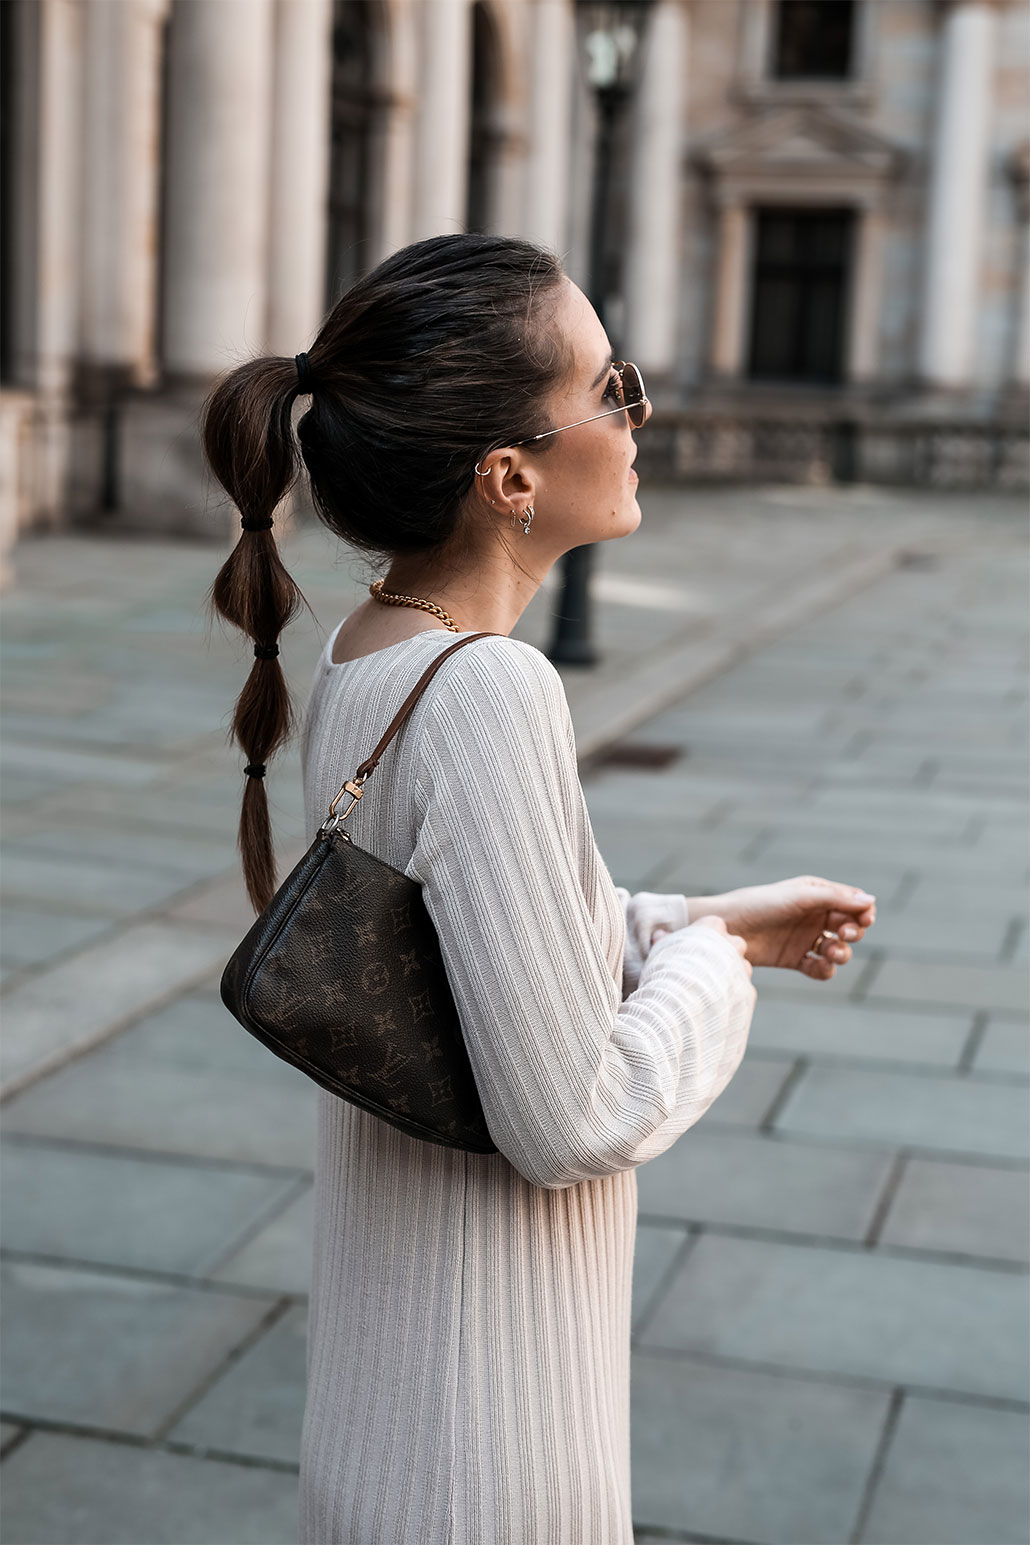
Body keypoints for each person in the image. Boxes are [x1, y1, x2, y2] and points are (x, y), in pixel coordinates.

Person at [201, 234, 877, 1545]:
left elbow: (475, 944)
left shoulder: (371, 651)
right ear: (508, 475)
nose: (634, 419)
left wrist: (706, 915)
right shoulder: (491, 689)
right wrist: (709, 973)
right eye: (608, 388)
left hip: (398, 1388)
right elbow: (572, 1113)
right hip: (489, 1428)